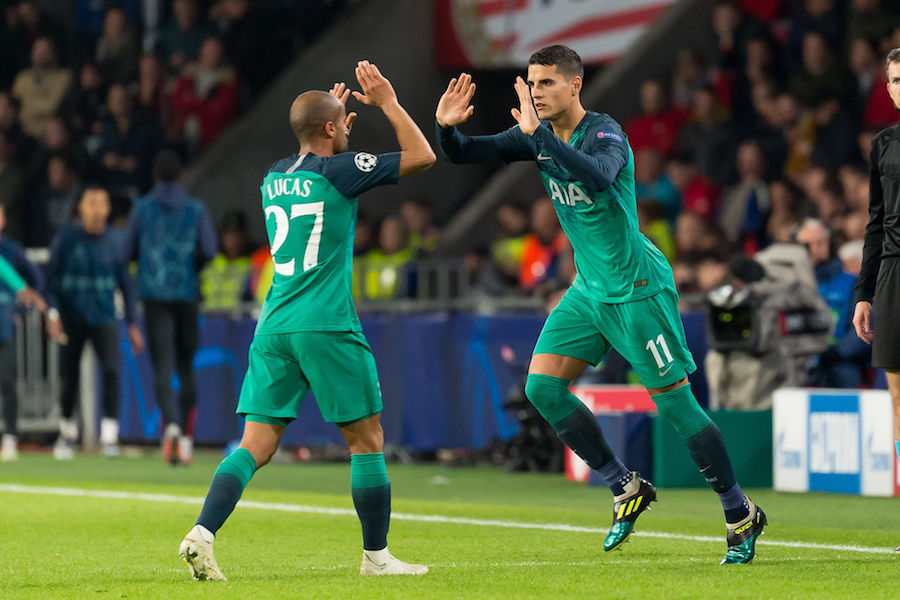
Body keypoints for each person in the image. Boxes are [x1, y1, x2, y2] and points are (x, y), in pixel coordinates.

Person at [435, 45, 766, 564]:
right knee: (542, 388)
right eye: (531, 82)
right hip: (589, 290)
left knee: (676, 405)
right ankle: (624, 485)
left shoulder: (605, 132)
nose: (536, 92)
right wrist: (447, 129)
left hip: (636, 289)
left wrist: (538, 138)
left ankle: (738, 510)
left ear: (575, 85)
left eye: (546, 83)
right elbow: (462, 153)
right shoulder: (536, 134)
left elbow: (598, 177)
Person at [178, 60, 436, 580]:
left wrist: (333, 119)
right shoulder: (340, 171)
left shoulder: (273, 175)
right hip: (326, 322)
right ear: (330, 129)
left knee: (256, 443)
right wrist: (385, 103)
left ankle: (201, 534)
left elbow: (317, 147)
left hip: (274, 325)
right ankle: (376, 559)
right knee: (366, 440)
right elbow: (422, 156)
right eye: (341, 123)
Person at [120, 150, 216, 465]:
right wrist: (192, 267)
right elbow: (211, 250)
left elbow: (124, 251)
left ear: (155, 176)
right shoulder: (195, 208)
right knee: (186, 366)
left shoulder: (142, 208)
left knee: (162, 365)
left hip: (154, 295)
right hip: (187, 294)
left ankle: (170, 426)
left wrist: (144, 263)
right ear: (180, 175)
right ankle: (187, 441)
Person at [46, 186, 144, 459]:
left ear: (109, 209)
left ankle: (109, 438)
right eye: (92, 203)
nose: (98, 209)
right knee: (69, 376)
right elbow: (49, 281)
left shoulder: (117, 241)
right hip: (71, 318)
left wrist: (133, 323)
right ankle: (67, 434)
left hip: (105, 318)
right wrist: (52, 314)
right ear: (81, 207)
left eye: (103, 203)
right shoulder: (66, 239)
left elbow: (125, 284)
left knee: (112, 372)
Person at [853, 48, 900, 553]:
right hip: (892, 279)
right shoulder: (883, 145)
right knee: (898, 400)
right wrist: (864, 292)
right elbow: (874, 221)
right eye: (895, 80)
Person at [0, 204, 43, 461]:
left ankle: (10, 438)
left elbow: (31, 284)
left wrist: (23, 306)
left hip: (4, 326)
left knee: (7, 381)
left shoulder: (12, 251)